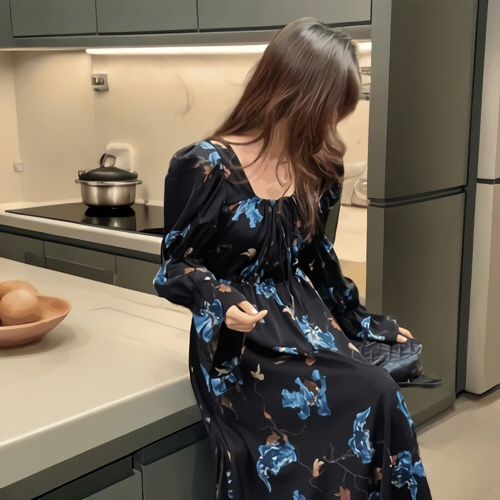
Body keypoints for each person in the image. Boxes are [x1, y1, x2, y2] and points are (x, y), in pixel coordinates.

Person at [154, 17, 432, 500]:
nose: (332, 125)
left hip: (306, 319)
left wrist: (364, 322)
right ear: (294, 94)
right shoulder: (203, 164)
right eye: (330, 110)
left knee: (379, 392)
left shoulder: (320, 164)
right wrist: (220, 299)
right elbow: (174, 267)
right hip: (240, 338)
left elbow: (318, 258)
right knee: (331, 421)